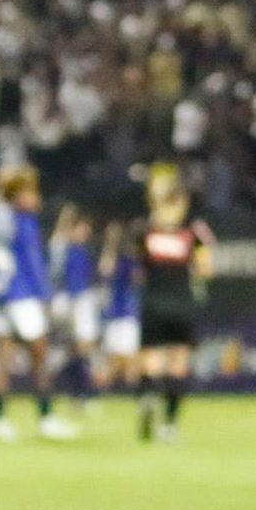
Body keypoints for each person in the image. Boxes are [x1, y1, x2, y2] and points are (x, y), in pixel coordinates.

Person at [134, 163, 214, 444]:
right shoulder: (193, 233)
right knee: (178, 363)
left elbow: (137, 272)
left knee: (152, 360)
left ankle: (148, 395)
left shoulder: (146, 232)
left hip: (153, 301)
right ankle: (169, 425)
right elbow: (206, 270)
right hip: (181, 302)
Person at [0, 165, 71, 440]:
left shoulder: (2, 219)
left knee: (2, 357)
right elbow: (32, 263)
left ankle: (0, 420)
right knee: (40, 355)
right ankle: (46, 418)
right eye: (31, 192)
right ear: (19, 195)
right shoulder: (22, 221)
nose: (37, 197)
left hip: (1, 295)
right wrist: (45, 295)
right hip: (21, 296)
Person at [47, 204, 101, 419]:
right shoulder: (63, 246)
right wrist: (66, 216)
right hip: (69, 301)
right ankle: (75, 392)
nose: (86, 232)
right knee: (71, 348)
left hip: (82, 300)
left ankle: (79, 393)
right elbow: (58, 240)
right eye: (82, 228)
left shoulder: (84, 250)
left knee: (82, 349)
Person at [98, 222, 141, 396]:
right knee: (113, 358)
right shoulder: (120, 261)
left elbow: (138, 278)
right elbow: (104, 269)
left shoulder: (135, 263)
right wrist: (111, 242)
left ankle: (135, 394)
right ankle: (102, 394)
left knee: (130, 357)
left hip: (129, 313)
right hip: (116, 314)